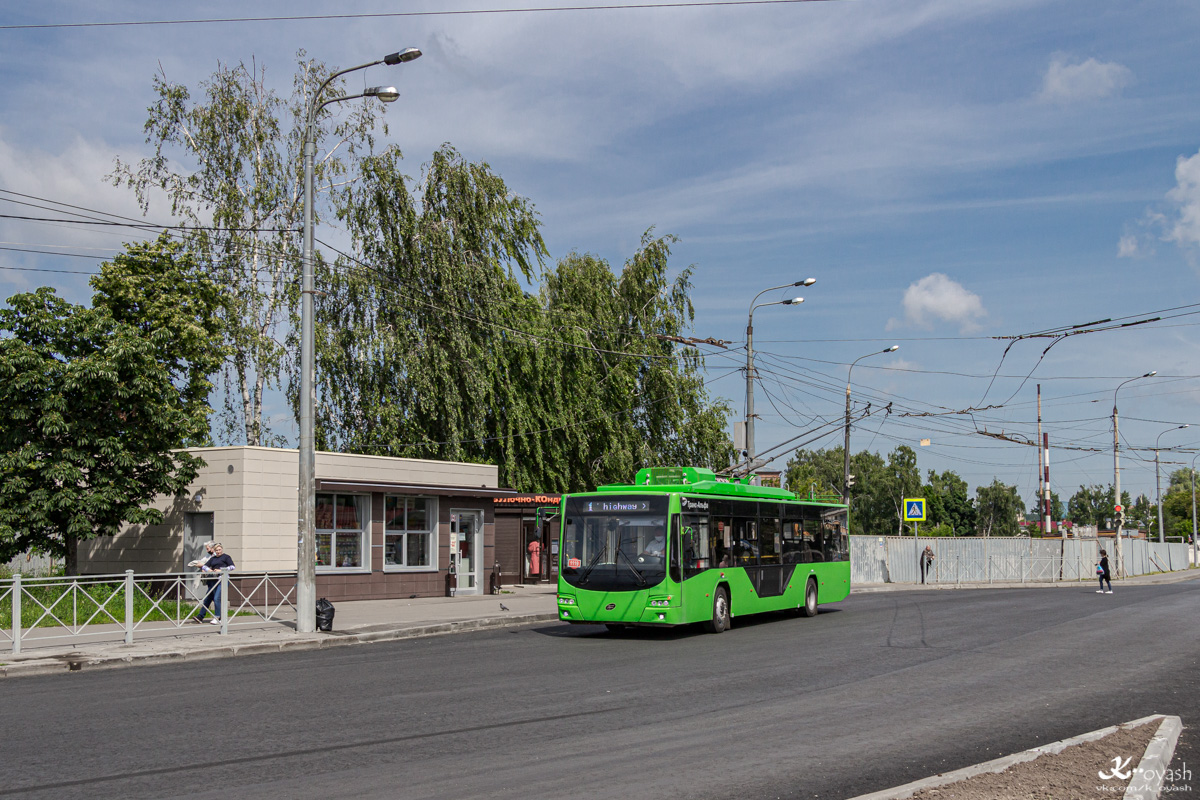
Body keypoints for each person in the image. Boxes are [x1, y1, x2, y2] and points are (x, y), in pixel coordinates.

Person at [194, 543, 235, 624]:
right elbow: (204, 566)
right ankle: (204, 616)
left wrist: (222, 570)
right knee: (208, 598)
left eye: (219, 550)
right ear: (215, 551)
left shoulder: (226, 557)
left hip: (222, 580)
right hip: (213, 580)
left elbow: (232, 567)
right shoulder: (213, 558)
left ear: (222, 549)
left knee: (217, 598)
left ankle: (217, 617)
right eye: (217, 550)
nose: (218, 552)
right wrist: (209, 570)